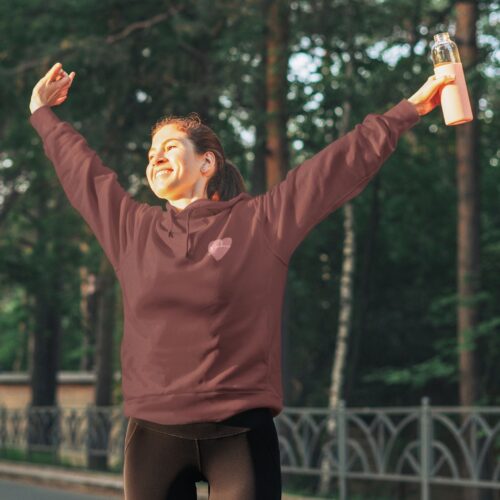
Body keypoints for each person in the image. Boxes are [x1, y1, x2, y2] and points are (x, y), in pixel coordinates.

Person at [29, 62, 455, 499]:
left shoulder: (260, 224)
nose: (155, 156)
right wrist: (42, 112)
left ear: (207, 162)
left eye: (170, 146)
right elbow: (84, 172)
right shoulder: (131, 229)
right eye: (151, 150)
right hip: (153, 436)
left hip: (240, 436)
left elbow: (335, 168)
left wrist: (411, 108)